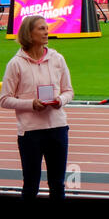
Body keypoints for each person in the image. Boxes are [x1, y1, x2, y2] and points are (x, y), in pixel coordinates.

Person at [0, 15, 74, 200]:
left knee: (57, 184)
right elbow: (4, 99)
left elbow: (69, 91)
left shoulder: (57, 59)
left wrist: (60, 101)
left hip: (57, 128)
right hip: (31, 133)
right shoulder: (15, 64)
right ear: (28, 33)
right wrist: (30, 104)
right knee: (31, 184)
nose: (46, 32)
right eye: (41, 28)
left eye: (46, 28)